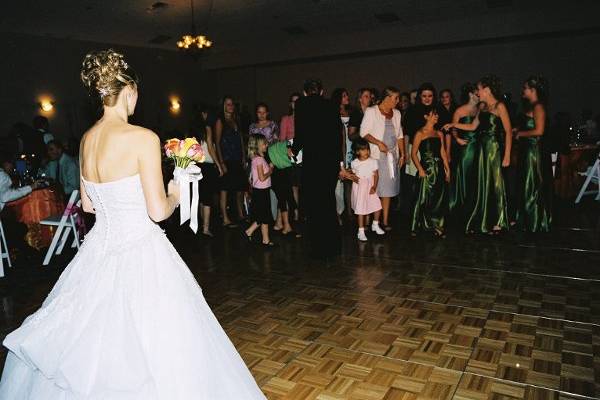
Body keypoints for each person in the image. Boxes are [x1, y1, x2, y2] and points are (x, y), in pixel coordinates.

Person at [0, 49, 267, 399]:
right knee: (161, 344)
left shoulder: (87, 140)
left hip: (98, 251)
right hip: (141, 247)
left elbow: (91, 204)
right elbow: (158, 212)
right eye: (137, 92)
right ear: (128, 91)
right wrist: (175, 189)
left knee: (94, 343)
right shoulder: (143, 138)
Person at [291, 78, 354, 260]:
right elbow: (337, 136)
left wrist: (294, 150)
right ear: (321, 91)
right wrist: (338, 163)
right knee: (328, 202)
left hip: (313, 162)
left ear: (304, 92)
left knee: (313, 205)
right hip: (329, 162)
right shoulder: (330, 106)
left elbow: (300, 132)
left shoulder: (301, 104)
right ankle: (333, 247)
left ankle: (317, 248)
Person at [445, 75, 512, 234]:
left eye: (479, 89)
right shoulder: (482, 106)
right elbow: (473, 126)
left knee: (496, 183)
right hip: (482, 149)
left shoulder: (500, 106)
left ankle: (500, 221)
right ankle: (485, 219)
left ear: (487, 90)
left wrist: (507, 155)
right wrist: (454, 124)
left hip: (494, 148)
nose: (478, 92)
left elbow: (508, 131)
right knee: (483, 184)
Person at [360, 86, 406, 231]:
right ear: (387, 98)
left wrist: (403, 153)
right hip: (375, 156)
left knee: (388, 190)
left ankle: (384, 221)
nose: (398, 101)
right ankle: (369, 222)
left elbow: (399, 135)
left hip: (391, 157)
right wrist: (378, 143)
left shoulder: (397, 113)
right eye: (395, 98)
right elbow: (364, 133)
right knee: (374, 189)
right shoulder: (371, 111)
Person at [514, 75, 552, 232]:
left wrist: (519, 134)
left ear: (532, 90)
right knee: (526, 184)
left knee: (532, 185)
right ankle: (527, 219)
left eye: (525, 88)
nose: (522, 91)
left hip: (533, 152)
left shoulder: (538, 106)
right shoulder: (532, 106)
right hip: (527, 150)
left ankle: (535, 222)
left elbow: (539, 131)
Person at [411, 109, 450, 237]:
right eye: (434, 114)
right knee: (423, 198)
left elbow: (443, 152)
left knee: (438, 199)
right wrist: (420, 170)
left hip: (438, 169)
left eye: (437, 114)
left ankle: (437, 226)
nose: (436, 117)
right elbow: (413, 154)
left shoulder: (439, 133)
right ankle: (418, 225)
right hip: (426, 169)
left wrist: (447, 169)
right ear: (426, 116)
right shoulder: (420, 133)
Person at [448, 83, 480, 226]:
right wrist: (457, 139)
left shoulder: (480, 109)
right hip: (466, 148)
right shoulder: (460, 110)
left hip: (479, 147)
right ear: (470, 95)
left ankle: (475, 209)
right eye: (476, 93)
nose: (478, 96)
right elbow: (453, 128)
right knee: (465, 176)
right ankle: (462, 209)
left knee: (477, 178)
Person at [191, 106, 224, 237]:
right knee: (208, 198)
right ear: (204, 114)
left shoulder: (193, 130)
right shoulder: (207, 128)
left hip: (197, 165)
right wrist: (219, 165)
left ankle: (201, 225)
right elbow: (210, 148)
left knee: (201, 197)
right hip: (207, 165)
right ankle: (205, 228)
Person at [215, 96, 247, 227]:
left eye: (232, 104)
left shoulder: (235, 120)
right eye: (228, 104)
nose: (231, 106)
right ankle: (225, 219)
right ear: (223, 106)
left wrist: (244, 156)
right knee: (225, 189)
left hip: (237, 158)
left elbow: (240, 140)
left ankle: (240, 214)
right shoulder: (220, 121)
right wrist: (221, 163)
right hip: (226, 159)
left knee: (240, 187)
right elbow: (217, 142)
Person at [243, 134, 275, 246]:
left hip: (261, 191)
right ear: (258, 146)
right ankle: (249, 231)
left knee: (264, 216)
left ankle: (265, 240)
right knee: (263, 216)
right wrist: (271, 170)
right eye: (264, 143)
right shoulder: (259, 159)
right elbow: (262, 178)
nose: (266, 145)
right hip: (261, 191)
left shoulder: (256, 158)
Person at [350, 138, 383, 241]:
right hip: (360, 188)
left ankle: (375, 224)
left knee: (377, 206)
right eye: (363, 150)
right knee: (361, 210)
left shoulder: (373, 161)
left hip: (370, 187)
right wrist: (349, 176)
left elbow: (376, 175)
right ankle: (361, 231)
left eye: (367, 149)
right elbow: (354, 177)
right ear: (357, 151)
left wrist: (374, 186)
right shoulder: (354, 163)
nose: (367, 152)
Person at [279, 92, 302, 221]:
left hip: (306, 155)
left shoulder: (306, 119)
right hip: (291, 155)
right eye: (293, 101)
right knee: (293, 186)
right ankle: (296, 214)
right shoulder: (286, 119)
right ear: (290, 104)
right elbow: (282, 139)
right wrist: (289, 150)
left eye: (298, 101)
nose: (296, 103)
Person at [331, 88, 352, 223]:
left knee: (350, 183)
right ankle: (337, 213)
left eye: (347, 95)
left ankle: (350, 212)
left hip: (351, 147)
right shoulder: (333, 113)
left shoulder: (351, 112)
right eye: (344, 95)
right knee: (338, 184)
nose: (347, 97)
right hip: (340, 148)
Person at [438, 89, 457, 161]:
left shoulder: (457, 108)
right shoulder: (437, 109)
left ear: (451, 98)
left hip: (455, 138)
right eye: (442, 97)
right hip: (441, 139)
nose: (444, 99)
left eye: (446, 97)